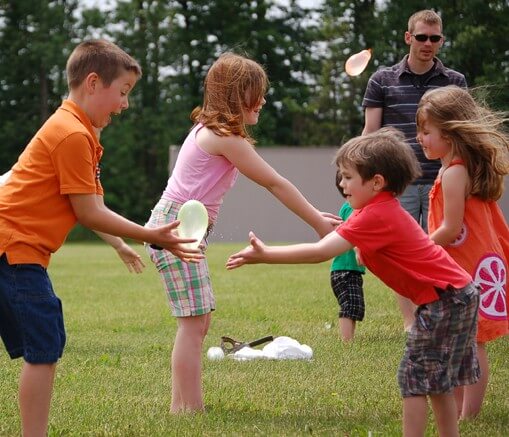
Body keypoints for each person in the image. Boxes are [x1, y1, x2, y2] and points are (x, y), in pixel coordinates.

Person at [0, 39, 201, 437]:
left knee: (45, 343)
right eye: (122, 92)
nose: (125, 104)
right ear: (92, 83)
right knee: (44, 347)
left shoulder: (75, 129)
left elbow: (86, 206)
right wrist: (150, 234)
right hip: (15, 250)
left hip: (12, 247)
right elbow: (89, 211)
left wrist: (122, 243)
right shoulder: (72, 134)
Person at [227, 128, 480, 437]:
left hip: (445, 300)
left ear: (377, 182)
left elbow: (319, 253)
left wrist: (265, 254)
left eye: (348, 177)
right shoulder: (381, 209)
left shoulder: (374, 215)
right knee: (436, 380)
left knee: (415, 381)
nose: (342, 183)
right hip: (458, 293)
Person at [145, 52, 339, 414]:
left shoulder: (210, 132)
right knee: (193, 325)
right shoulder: (222, 138)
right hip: (175, 229)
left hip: (178, 227)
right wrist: (316, 221)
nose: (263, 100)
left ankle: (181, 405)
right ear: (236, 95)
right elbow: (274, 183)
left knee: (198, 322)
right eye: (256, 93)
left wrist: (315, 215)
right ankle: (189, 410)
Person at [361, 9, 467, 331]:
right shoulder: (382, 79)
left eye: (435, 38)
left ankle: (444, 312)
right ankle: (411, 323)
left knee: (447, 247)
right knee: (402, 252)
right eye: (421, 37)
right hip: (399, 182)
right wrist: (362, 174)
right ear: (409, 37)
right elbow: (371, 132)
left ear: (441, 40)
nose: (428, 44)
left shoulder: (455, 82)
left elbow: (464, 132)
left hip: (444, 177)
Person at [416, 85, 509, 419]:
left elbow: (451, 229)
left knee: (471, 342)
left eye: (427, 131)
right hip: (464, 269)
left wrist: (419, 248)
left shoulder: (455, 172)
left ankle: (468, 415)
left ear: (451, 131)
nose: (420, 138)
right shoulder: (454, 168)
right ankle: (458, 411)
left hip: (469, 271)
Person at [330, 173, 365, 341]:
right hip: (344, 269)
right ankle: (346, 341)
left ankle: (349, 337)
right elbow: (353, 231)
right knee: (349, 304)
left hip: (350, 269)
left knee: (354, 304)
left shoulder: (353, 207)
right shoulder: (352, 208)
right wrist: (359, 249)